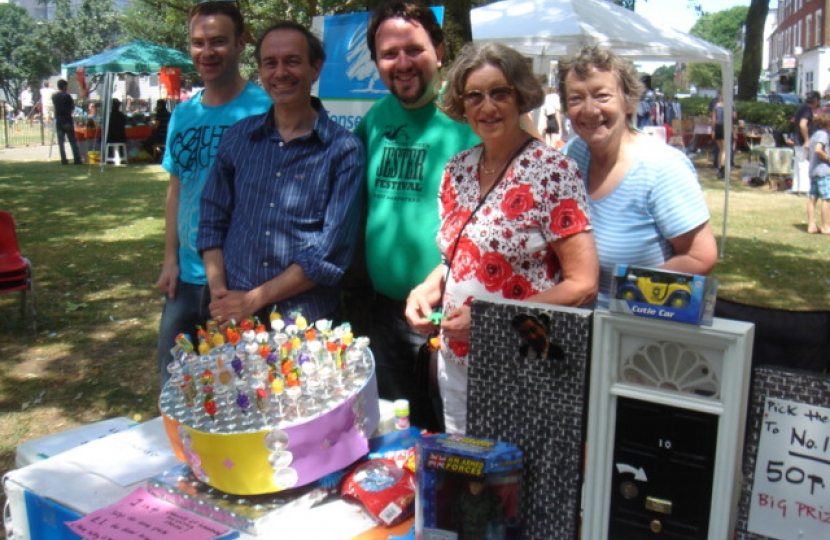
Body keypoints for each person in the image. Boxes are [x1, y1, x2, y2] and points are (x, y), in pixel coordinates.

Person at [405, 42, 598, 434]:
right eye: (474, 96)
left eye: (499, 93)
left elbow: (584, 285)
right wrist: (426, 289)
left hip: (524, 362)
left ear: (521, 96)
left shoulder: (552, 171)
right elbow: (458, 257)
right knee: (467, 475)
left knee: (515, 483)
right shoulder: (458, 169)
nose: (487, 106)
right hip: (457, 360)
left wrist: (490, 320)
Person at [351, 0, 481, 433]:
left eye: (414, 49)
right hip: (383, 314)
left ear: (440, 51)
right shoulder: (374, 122)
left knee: (449, 434)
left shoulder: (471, 122)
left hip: (445, 315)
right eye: (389, 54)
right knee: (394, 433)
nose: (402, 63)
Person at [197, 21, 364, 328]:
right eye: (270, 63)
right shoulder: (238, 138)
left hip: (306, 325)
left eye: (292, 61)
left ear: (315, 69)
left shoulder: (343, 150)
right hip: (233, 317)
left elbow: (329, 255)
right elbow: (212, 217)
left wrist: (252, 300)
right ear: (260, 71)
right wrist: (220, 292)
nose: (280, 72)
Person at [156, 1, 272, 386]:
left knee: (238, 391)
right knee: (175, 387)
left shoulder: (264, 108)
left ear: (241, 43)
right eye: (198, 42)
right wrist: (170, 258)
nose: (207, 52)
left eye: (219, 41)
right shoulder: (183, 114)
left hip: (240, 279)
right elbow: (177, 189)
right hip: (186, 280)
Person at [560, 45, 717, 308]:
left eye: (602, 96)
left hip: (636, 329)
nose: (589, 110)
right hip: (577, 328)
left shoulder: (662, 167)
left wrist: (627, 294)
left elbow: (700, 257)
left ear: (628, 100)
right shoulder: (573, 154)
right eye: (576, 99)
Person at [793, 90, 821, 195]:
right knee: (804, 164)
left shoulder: (802, 107)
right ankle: (804, 189)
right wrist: (807, 140)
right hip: (802, 140)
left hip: (798, 139)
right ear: (816, 100)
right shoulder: (807, 109)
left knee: (798, 163)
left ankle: (796, 187)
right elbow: (802, 124)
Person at [806, 112, 830, 234]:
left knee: (812, 198)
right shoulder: (823, 135)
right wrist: (827, 158)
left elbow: (808, 150)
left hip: (813, 170)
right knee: (826, 198)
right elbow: (818, 150)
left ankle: (811, 226)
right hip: (823, 171)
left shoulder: (814, 135)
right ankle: (826, 226)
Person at [52, 79, 83, 165]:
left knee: (61, 142)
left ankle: (64, 159)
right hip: (67, 119)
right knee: (72, 140)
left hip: (59, 119)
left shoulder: (54, 97)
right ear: (64, 86)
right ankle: (77, 159)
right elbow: (72, 106)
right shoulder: (67, 96)